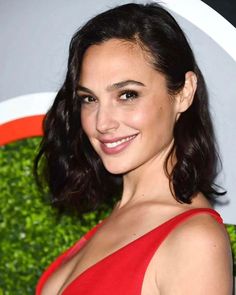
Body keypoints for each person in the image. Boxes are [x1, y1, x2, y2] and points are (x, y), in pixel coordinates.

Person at [35, 2, 233, 294]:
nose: (102, 123)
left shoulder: (195, 241)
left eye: (127, 95)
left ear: (183, 93)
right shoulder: (117, 219)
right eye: (89, 99)